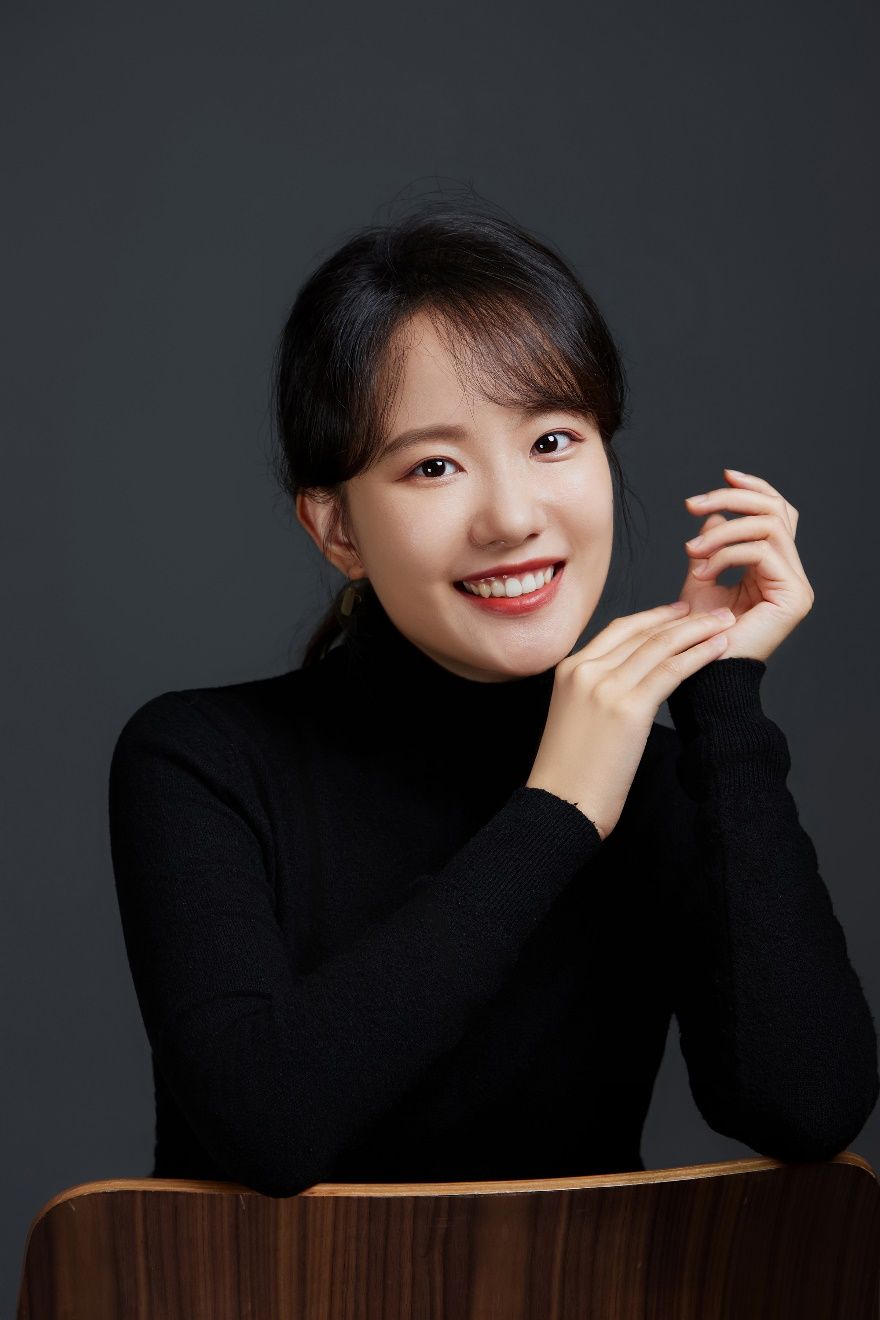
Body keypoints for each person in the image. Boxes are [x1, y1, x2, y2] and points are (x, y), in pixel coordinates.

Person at [108, 199, 878, 1199]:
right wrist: (559, 810)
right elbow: (267, 1128)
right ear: (336, 529)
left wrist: (722, 695)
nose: (512, 517)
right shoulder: (200, 759)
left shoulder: (660, 780)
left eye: (552, 441)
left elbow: (807, 1107)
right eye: (433, 466)